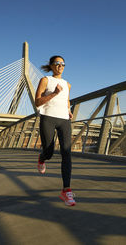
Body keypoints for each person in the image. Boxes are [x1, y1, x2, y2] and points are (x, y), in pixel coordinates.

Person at [35, 55, 75, 206]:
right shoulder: (45, 80)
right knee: (49, 151)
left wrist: (68, 109)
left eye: (62, 64)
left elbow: (66, 99)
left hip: (64, 119)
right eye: (57, 63)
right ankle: (42, 158)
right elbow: (37, 101)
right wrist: (54, 93)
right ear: (51, 66)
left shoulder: (67, 84)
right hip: (48, 117)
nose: (60, 66)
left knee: (66, 152)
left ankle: (66, 191)